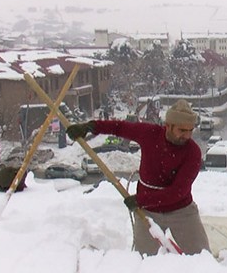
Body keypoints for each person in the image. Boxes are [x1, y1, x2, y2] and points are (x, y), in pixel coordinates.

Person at [66, 99, 210, 256]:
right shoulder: (150, 134)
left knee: (202, 257)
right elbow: (120, 128)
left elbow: (178, 192)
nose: (187, 136)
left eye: (190, 130)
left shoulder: (193, 152)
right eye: (182, 130)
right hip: (148, 212)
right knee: (142, 259)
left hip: (181, 211)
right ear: (168, 125)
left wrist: (141, 200)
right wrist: (91, 127)